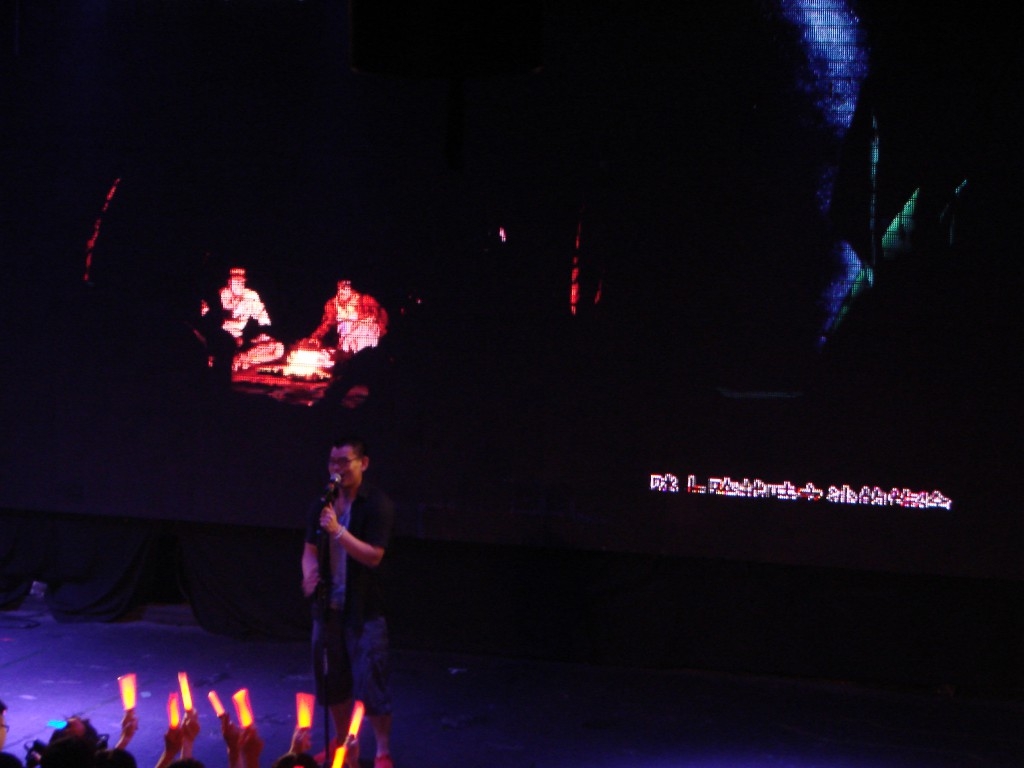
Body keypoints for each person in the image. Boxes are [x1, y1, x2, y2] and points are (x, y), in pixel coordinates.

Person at [301, 437, 395, 768]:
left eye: (345, 461)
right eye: (333, 462)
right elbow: (309, 550)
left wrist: (338, 531)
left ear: (363, 463)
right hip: (327, 609)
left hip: (364, 610)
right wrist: (309, 575)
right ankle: (340, 741)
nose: (337, 469)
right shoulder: (322, 505)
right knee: (332, 681)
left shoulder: (377, 505)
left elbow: (374, 556)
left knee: (371, 684)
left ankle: (382, 750)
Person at [201, 266, 284, 371]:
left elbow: (263, 317)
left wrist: (264, 334)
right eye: (236, 281)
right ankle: (225, 360)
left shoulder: (251, 296)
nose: (240, 284)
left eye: (242, 281)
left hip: (241, 342)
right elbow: (207, 321)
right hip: (220, 340)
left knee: (278, 348)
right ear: (229, 282)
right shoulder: (219, 295)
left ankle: (239, 359)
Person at [305, 280, 388, 361]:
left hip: (365, 337)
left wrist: (369, 320)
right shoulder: (333, 304)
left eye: (346, 287)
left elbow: (380, 315)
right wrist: (316, 337)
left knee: (364, 328)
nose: (342, 290)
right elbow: (327, 323)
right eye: (340, 287)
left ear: (351, 288)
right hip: (345, 341)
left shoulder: (365, 301)